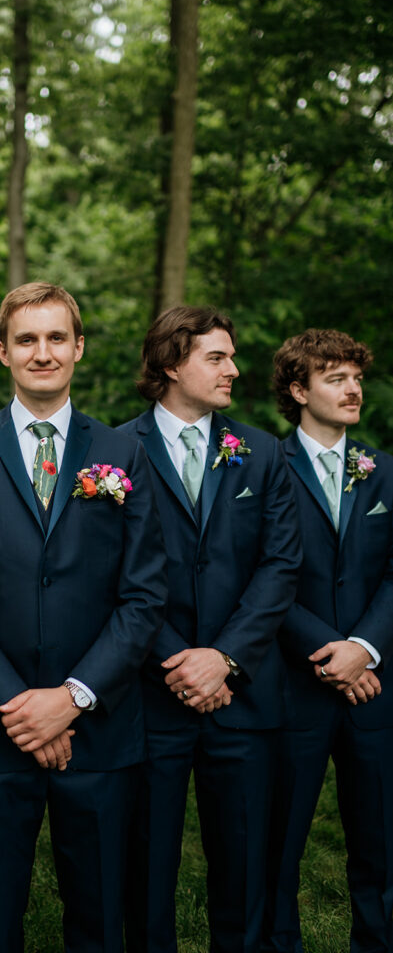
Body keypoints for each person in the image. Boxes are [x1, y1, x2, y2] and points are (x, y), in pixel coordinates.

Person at [0, 282, 167, 953]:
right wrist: (16, 705)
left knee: (99, 916)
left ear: (78, 348)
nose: (42, 351)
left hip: (99, 731)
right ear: (3, 352)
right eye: (26, 339)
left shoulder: (123, 453)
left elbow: (143, 593)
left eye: (56, 337)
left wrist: (73, 698)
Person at [120, 305, 301, 953]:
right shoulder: (115, 452)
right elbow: (109, 574)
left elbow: (281, 566)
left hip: (244, 695)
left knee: (245, 869)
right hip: (148, 694)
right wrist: (178, 661)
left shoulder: (262, 454)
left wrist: (222, 658)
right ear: (171, 364)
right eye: (216, 357)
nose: (233, 369)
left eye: (229, 356)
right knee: (144, 869)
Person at [263, 328, 393, 953]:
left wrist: (365, 647)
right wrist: (330, 651)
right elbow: (262, 578)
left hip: (374, 689)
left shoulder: (383, 470)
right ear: (298, 388)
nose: (353, 389)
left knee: (382, 842)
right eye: (336, 378)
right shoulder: (265, 468)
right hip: (293, 687)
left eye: (356, 378)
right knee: (279, 843)